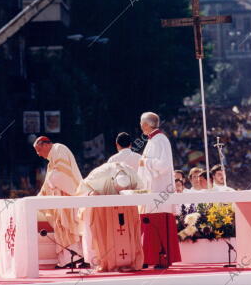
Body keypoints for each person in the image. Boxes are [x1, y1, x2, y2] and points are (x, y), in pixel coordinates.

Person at [76, 162, 144, 272]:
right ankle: (108, 262)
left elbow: (141, 188)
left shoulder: (131, 173)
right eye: (118, 189)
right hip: (104, 212)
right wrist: (91, 193)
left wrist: (133, 192)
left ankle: (129, 261)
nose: (119, 192)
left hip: (126, 211)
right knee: (104, 234)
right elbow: (83, 186)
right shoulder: (101, 173)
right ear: (112, 180)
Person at [138, 112, 181, 268]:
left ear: (147, 124)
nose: (141, 126)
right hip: (153, 190)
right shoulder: (154, 140)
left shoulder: (160, 140)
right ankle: (150, 258)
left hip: (160, 191)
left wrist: (145, 162)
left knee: (158, 224)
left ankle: (161, 258)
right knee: (149, 223)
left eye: (142, 123)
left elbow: (163, 165)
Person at [33, 136, 83, 268]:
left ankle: (76, 257)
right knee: (62, 227)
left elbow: (61, 175)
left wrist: (50, 180)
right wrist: (36, 200)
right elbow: (46, 185)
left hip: (68, 196)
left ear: (45, 145)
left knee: (69, 227)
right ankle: (67, 260)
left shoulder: (59, 148)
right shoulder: (51, 162)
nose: (38, 154)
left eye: (39, 150)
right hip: (60, 199)